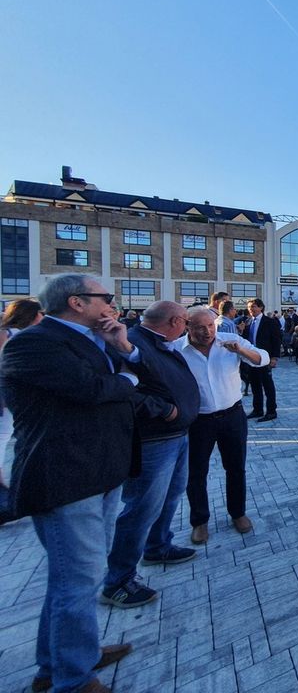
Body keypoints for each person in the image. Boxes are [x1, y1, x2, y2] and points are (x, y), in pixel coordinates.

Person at [0, 274, 163, 693]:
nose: (111, 304)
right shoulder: (33, 343)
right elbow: (89, 390)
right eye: (104, 297)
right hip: (67, 475)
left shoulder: (97, 339)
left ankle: (61, 661)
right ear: (76, 302)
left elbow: (140, 377)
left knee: (77, 578)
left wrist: (122, 348)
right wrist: (125, 381)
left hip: (102, 470)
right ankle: (73, 679)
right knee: (77, 580)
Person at [101, 301, 200, 609]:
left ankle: (158, 545)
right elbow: (124, 390)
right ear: (175, 321)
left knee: (170, 496)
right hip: (154, 439)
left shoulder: (154, 342)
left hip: (176, 435)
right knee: (142, 508)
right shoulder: (130, 343)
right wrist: (164, 410)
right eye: (186, 322)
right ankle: (118, 580)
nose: (186, 328)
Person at [177, 306, 268, 544]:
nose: (207, 332)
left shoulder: (229, 341)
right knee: (196, 472)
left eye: (210, 326)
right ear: (187, 327)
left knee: (236, 467)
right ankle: (199, 521)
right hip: (199, 421)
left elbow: (263, 359)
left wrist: (241, 351)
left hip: (232, 416)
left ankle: (237, 513)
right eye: (200, 327)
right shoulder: (177, 350)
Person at [0, 298, 43, 491]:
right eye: (40, 313)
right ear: (31, 315)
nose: (43, 317)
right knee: (4, 434)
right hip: (8, 392)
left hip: (14, 392)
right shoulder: (8, 334)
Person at [242, 298, 281, 421]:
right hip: (251, 358)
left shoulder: (269, 322)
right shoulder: (248, 321)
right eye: (249, 307)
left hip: (265, 358)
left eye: (253, 306)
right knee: (255, 385)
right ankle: (257, 409)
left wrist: (274, 357)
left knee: (268, 386)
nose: (251, 309)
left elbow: (276, 340)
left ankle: (271, 411)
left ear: (261, 307)